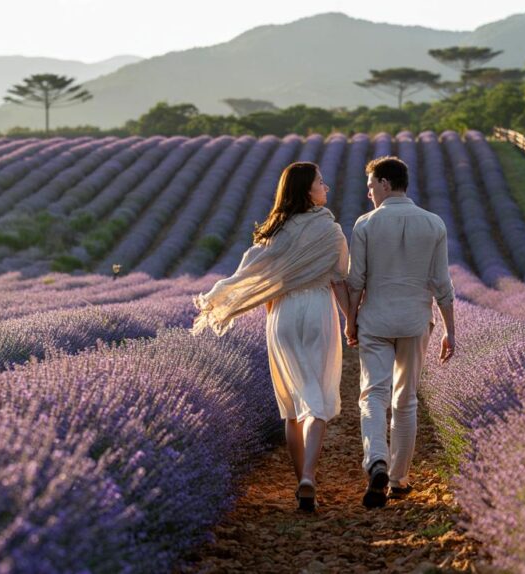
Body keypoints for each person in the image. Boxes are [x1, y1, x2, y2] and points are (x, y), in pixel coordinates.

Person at [192, 162, 350, 512]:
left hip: (282, 315)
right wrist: (351, 320)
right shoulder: (331, 231)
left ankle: (300, 483)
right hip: (317, 308)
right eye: (321, 182)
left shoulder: (274, 232)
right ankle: (309, 475)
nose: (326, 187)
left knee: (292, 405)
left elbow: (260, 279)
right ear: (308, 191)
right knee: (318, 399)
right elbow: (340, 280)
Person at [346, 156, 455, 509]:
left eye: (370, 186)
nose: (368, 194)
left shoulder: (365, 225)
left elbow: (356, 281)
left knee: (373, 395)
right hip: (414, 322)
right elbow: (442, 283)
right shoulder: (433, 223)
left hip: (375, 320)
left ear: (385, 184)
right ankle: (398, 478)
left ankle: (375, 459)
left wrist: (350, 320)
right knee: (405, 400)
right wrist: (450, 331)